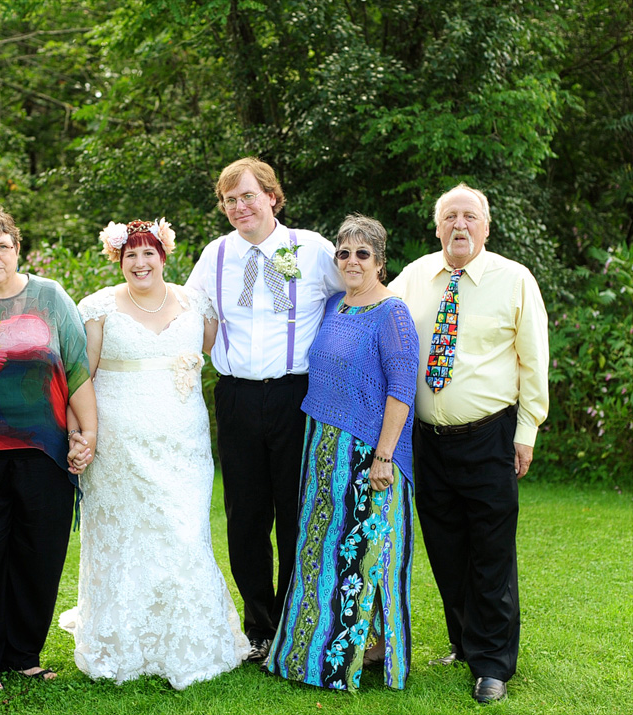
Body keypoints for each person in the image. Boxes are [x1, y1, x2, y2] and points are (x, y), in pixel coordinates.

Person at [60, 219, 249, 689]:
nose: (140, 264)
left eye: (149, 254)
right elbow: (81, 376)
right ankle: (120, 638)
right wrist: (81, 435)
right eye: (130, 256)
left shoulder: (196, 303)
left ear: (164, 256)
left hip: (184, 443)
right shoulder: (99, 307)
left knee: (183, 532)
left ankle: (186, 638)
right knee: (124, 537)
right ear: (118, 260)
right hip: (120, 445)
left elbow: (201, 350)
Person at [389, 183, 549, 704]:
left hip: (490, 435)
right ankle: (464, 641)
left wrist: (526, 431)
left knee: (491, 552)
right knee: (447, 549)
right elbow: (374, 315)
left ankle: (493, 663)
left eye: (470, 216)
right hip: (426, 441)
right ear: (437, 227)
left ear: (486, 226)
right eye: (450, 217)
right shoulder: (413, 277)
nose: (460, 225)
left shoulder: (515, 280)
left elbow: (534, 362)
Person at [185, 157, 345, 662]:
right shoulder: (214, 256)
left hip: (297, 395)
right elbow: (191, 315)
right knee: (245, 516)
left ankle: (297, 618)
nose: (239, 207)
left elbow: (350, 296)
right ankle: (260, 626)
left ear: (273, 197)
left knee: (296, 510)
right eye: (230, 200)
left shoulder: (313, 248)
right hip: (235, 396)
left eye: (248, 196)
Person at [0, 207, 97, 693]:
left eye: (2, 245)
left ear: (17, 249)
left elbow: (75, 370)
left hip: (43, 453)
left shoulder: (50, 297)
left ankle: (23, 653)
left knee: (38, 556)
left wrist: (86, 434)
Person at [264, 214, 419, 691]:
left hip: (368, 451)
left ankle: (346, 660)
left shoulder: (392, 312)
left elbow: (402, 387)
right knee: (319, 551)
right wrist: (272, 251)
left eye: (362, 254)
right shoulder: (334, 303)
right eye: (344, 253)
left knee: (361, 557)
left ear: (380, 261)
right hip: (322, 449)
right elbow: (278, 287)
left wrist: (385, 456)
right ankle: (306, 651)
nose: (352, 261)